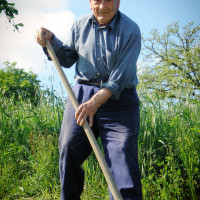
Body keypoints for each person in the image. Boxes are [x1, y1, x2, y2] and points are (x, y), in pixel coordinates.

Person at [35, 0, 142, 199]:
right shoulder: (79, 25)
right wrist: (51, 40)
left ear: (118, 2)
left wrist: (95, 102)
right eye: (97, 0)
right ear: (90, 2)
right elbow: (67, 58)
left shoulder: (131, 30)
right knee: (69, 149)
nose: (102, 6)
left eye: (108, 0)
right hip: (82, 95)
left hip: (120, 101)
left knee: (123, 152)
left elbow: (120, 76)